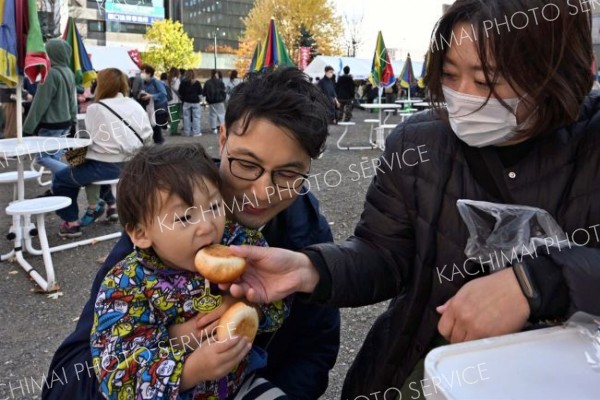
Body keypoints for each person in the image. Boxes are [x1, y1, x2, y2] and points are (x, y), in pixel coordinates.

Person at [220, 0, 600, 397]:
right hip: (413, 370)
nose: (463, 97)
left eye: (487, 81)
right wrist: (311, 269)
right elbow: (384, 256)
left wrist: (536, 281)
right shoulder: (418, 143)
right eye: (450, 75)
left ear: (550, 71)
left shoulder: (591, 145)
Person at [42, 67, 340, 400]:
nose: (261, 191)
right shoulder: (163, 226)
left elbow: (314, 351)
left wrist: (257, 305)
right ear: (223, 138)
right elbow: (69, 381)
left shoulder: (307, 232)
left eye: (287, 174)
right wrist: (177, 342)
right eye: (247, 163)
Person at [90, 143, 289, 398]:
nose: (206, 226)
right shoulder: (125, 284)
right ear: (141, 233)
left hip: (239, 384)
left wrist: (251, 307)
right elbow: (117, 375)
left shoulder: (240, 246)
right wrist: (190, 371)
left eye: (214, 207)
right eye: (184, 217)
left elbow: (279, 300)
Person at [52, 68, 153, 238]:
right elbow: (148, 135)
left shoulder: (95, 108)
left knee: (62, 179)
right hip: (135, 164)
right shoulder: (135, 104)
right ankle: (111, 206)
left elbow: (88, 140)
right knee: (94, 166)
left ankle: (71, 223)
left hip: (106, 165)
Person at [23, 38, 77, 174]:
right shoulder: (69, 72)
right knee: (55, 158)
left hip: (50, 126)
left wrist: (27, 129)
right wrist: (73, 120)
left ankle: (69, 175)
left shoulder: (50, 73)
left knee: (43, 158)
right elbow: (73, 100)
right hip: (65, 123)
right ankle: (56, 189)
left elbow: (39, 103)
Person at [138, 64, 168, 144]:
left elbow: (163, 94)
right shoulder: (144, 83)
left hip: (158, 109)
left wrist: (151, 96)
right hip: (149, 109)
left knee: (156, 130)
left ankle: (159, 147)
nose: (141, 73)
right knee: (152, 129)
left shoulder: (156, 82)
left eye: (143, 71)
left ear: (149, 73)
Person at [178, 69, 203, 137]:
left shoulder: (183, 82)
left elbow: (180, 93)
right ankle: (196, 132)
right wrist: (200, 100)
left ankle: (187, 132)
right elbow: (200, 93)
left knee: (186, 118)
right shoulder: (197, 83)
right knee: (196, 117)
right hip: (195, 102)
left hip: (186, 102)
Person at [204, 69, 227, 134]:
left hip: (211, 101)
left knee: (213, 115)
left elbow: (204, 92)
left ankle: (214, 129)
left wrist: (207, 99)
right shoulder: (220, 82)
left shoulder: (207, 82)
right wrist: (223, 98)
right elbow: (224, 91)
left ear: (211, 74)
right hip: (220, 100)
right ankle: (222, 127)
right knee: (221, 114)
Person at [167, 67, 182, 135]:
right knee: (175, 117)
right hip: (176, 100)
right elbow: (177, 89)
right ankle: (174, 131)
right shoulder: (177, 80)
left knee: (172, 116)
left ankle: (172, 129)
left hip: (169, 100)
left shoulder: (168, 80)